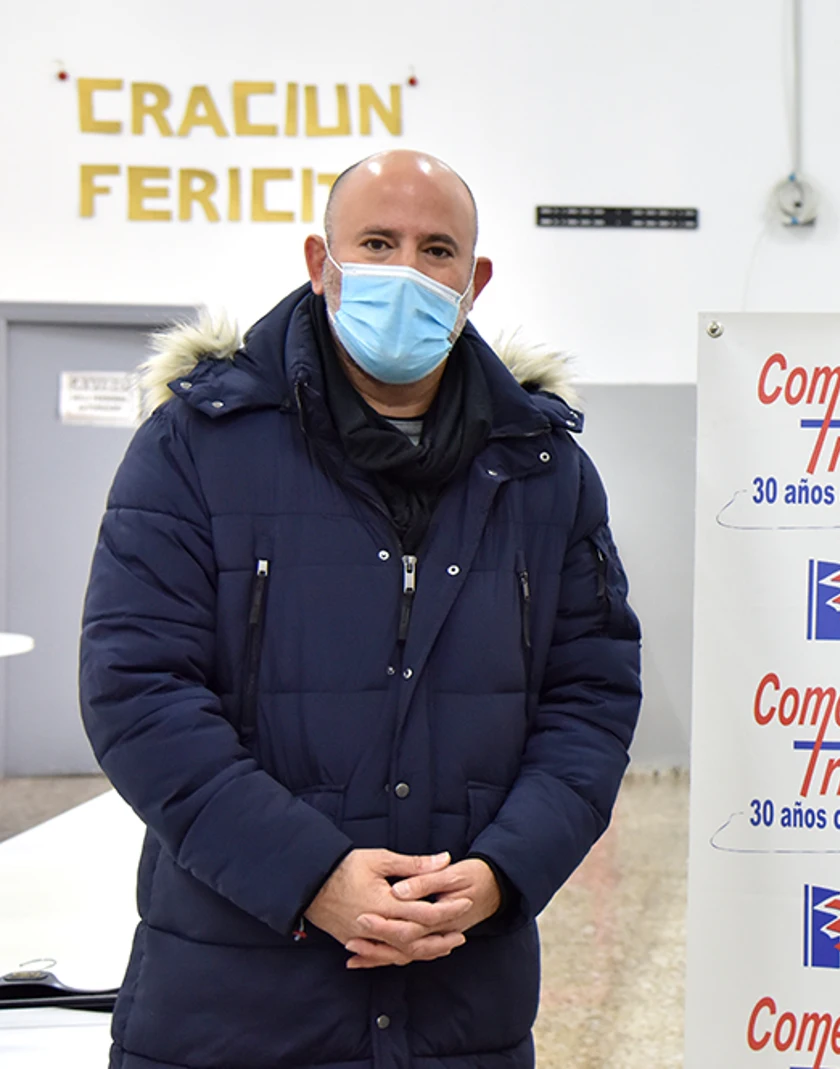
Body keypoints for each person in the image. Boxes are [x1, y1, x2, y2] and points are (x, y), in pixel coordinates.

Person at [79, 149, 643, 1068]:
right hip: (233, 1004)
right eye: (376, 243)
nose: (406, 273)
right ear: (320, 261)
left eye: (436, 250)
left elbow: (593, 696)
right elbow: (135, 690)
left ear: (475, 280)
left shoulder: (545, 469)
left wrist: (503, 874)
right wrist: (310, 876)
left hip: (461, 1005)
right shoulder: (194, 445)